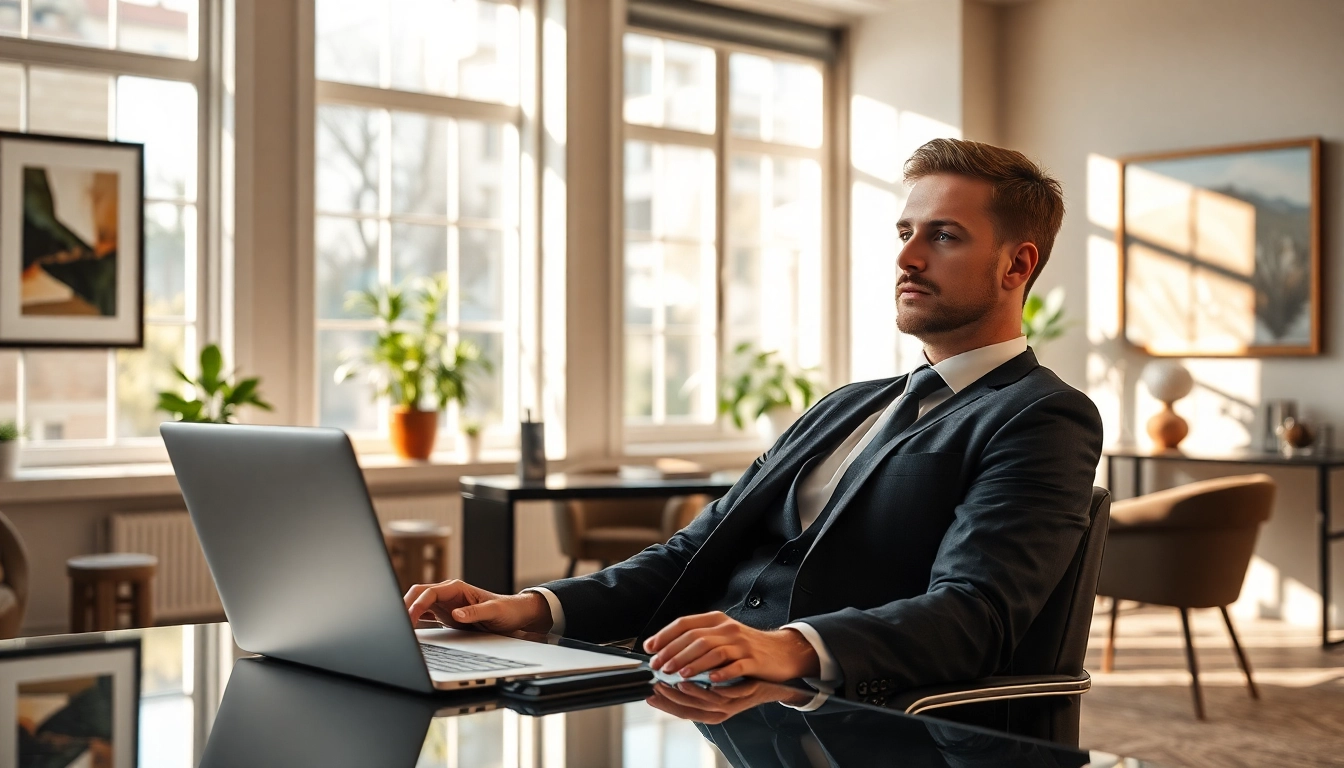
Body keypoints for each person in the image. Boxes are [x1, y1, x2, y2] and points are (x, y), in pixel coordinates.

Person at [405, 138, 1103, 703]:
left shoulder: (1042, 416)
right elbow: (690, 554)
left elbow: (974, 612)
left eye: (943, 236)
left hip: (834, 710)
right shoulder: (847, 404)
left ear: (1017, 264)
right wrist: (526, 608)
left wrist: (787, 646)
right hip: (698, 689)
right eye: (904, 232)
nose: (906, 258)